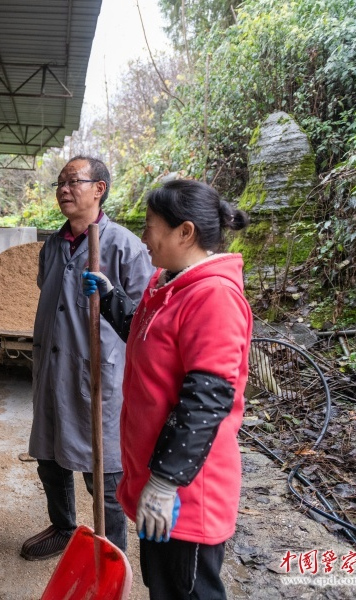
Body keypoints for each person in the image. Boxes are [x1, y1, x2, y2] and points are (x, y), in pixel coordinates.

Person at [83, 178, 252, 598]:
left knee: (188, 591)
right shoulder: (169, 283)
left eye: (150, 225)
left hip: (186, 492)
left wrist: (165, 482)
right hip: (156, 481)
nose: (143, 237)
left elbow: (207, 399)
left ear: (185, 231)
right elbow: (147, 336)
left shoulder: (213, 297)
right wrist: (112, 298)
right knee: (162, 586)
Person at [21, 156, 154, 560]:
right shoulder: (54, 245)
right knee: (49, 458)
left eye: (73, 181)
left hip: (98, 373)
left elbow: (143, 318)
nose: (63, 189)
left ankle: (110, 552)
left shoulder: (124, 246)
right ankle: (63, 526)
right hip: (52, 367)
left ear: (99, 189)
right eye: (59, 182)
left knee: (104, 474)